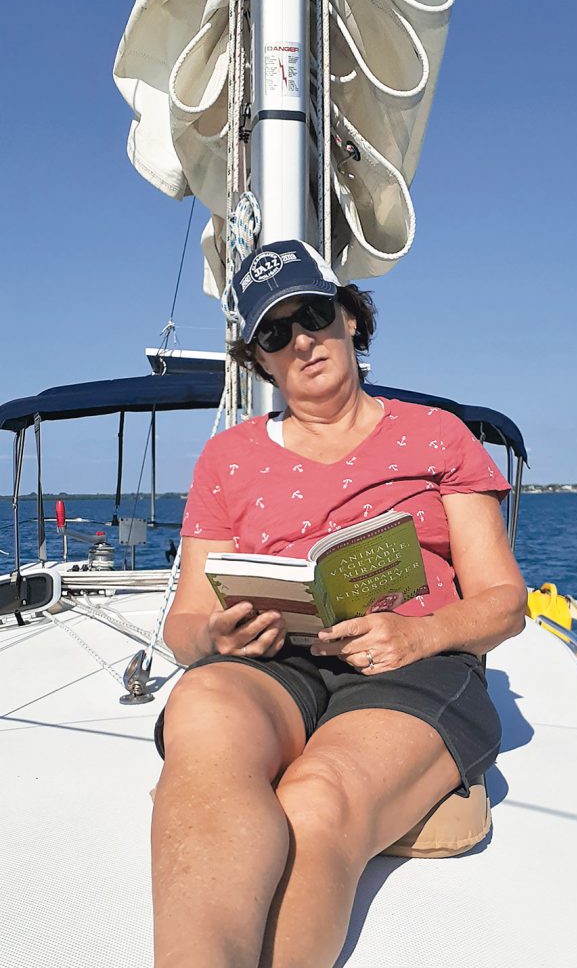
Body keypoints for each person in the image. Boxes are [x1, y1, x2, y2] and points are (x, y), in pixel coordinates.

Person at [152, 239, 526, 968]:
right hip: (272, 660)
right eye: (274, 332)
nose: (301, 341)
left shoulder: (436, 435)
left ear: (351, 318)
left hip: (412, 660)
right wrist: (216, 640)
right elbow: (183, 625)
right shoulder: (227, 458)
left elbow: (503, 601)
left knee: (317, 797)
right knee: (201, 717)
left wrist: (418, 637)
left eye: (313, 314)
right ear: (257, 357)